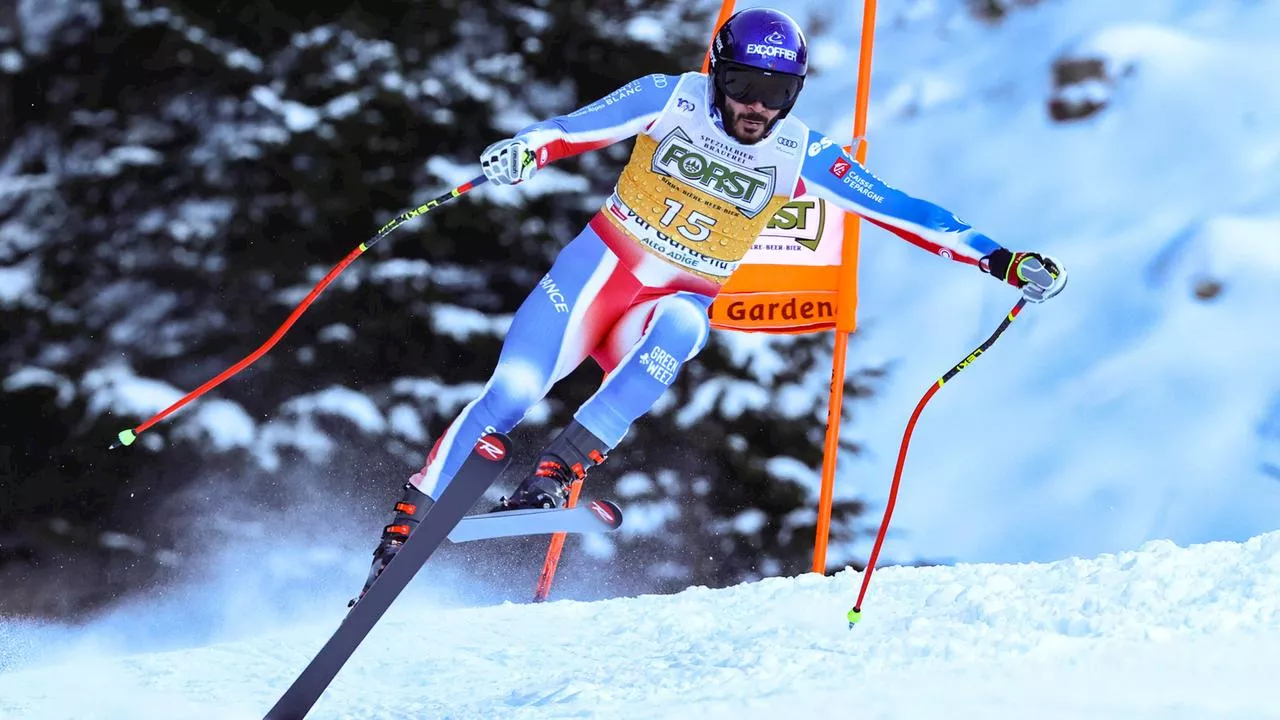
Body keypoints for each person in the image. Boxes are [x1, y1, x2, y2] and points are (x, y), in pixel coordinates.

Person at [355, 7, 1067, 598]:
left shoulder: (799, 152)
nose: (757, 105)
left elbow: (904, 211)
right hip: (599, 271)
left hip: (669, 300)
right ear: (717, 74)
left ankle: (562, 464)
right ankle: (408, 523)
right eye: (746, 83)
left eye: (778, 91)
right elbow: (573, 128)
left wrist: (1002, 260)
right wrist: (526, 150)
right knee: (510, 390)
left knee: (685, 324)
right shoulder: (673, 97)